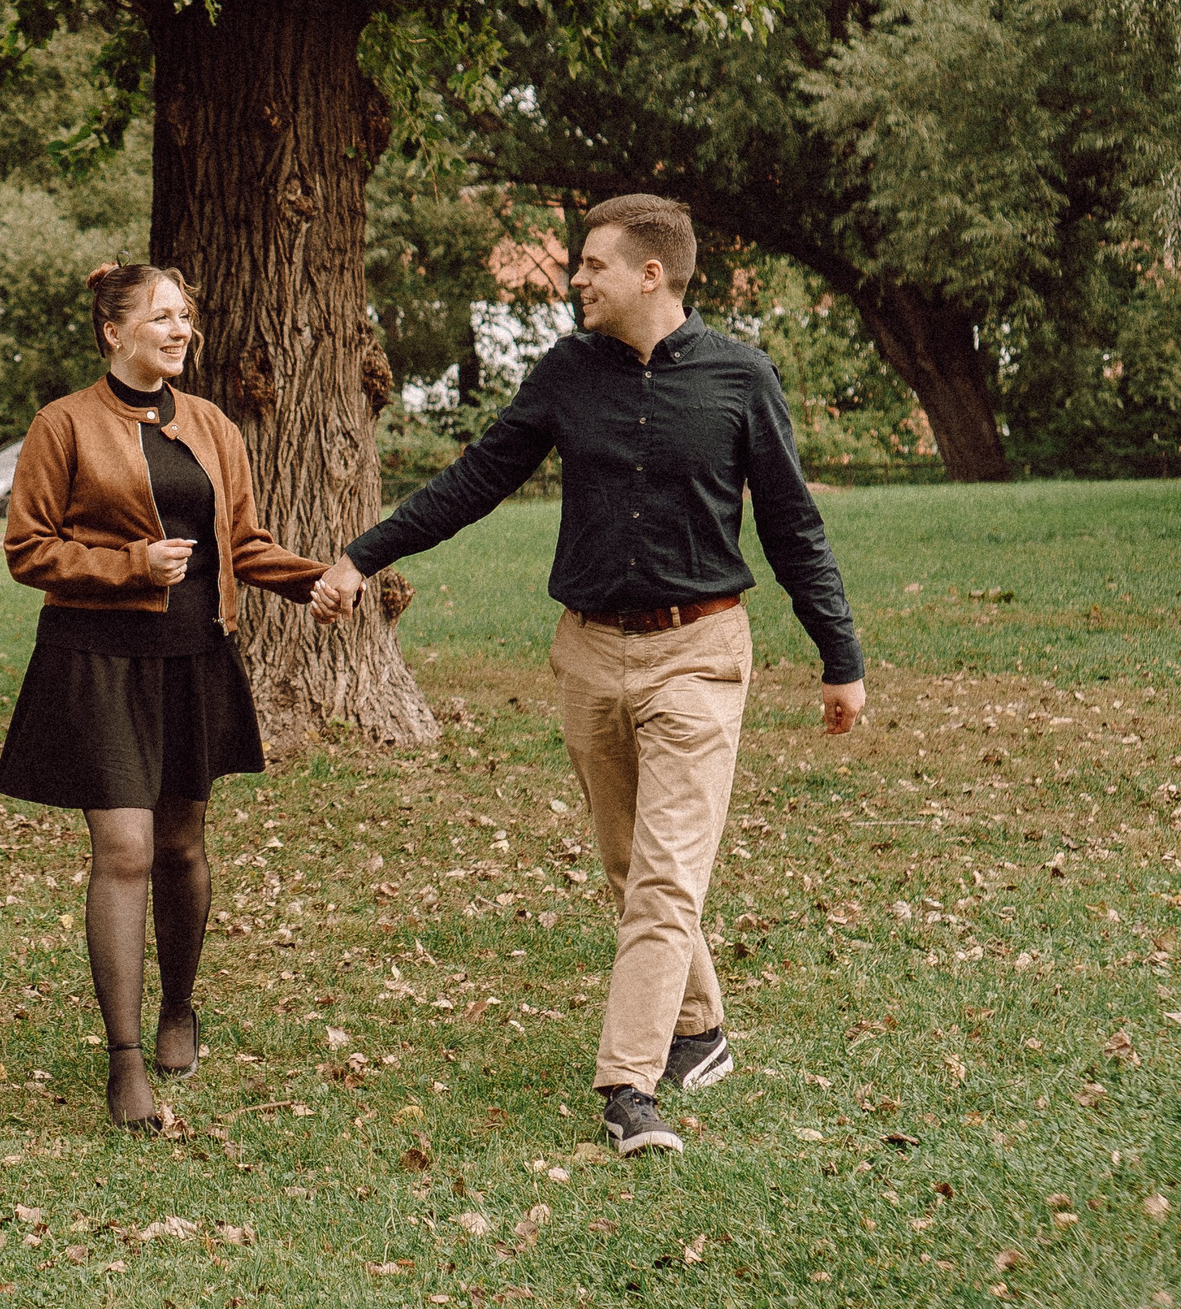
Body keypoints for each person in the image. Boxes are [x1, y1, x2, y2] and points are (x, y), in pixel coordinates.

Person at [312, 195, 867, 1156]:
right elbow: (477, 478)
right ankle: (699, 1028)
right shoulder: (567, 374)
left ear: (650, 274)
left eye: (590, 264)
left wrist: (840, 657)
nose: (576, 279)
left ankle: (627, 1086)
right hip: (588, 652)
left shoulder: (741, 377)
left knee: (662, 875)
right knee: (632, 867)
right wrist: (364, 555)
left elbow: (791, 525)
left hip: (699, 651)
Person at [0, 263, 328, 1130]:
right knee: (126, 850)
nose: (181, 330)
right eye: (162, 317)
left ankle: (179, 1005)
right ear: (114, 331)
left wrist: (316, 579)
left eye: (186, 316)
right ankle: (124, 1058)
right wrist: (128, 566)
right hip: (97, 659)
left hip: (192, 659)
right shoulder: (63, 424)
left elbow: (243, 544)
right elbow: (28, 549)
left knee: (182, 845)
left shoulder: (213, 425)